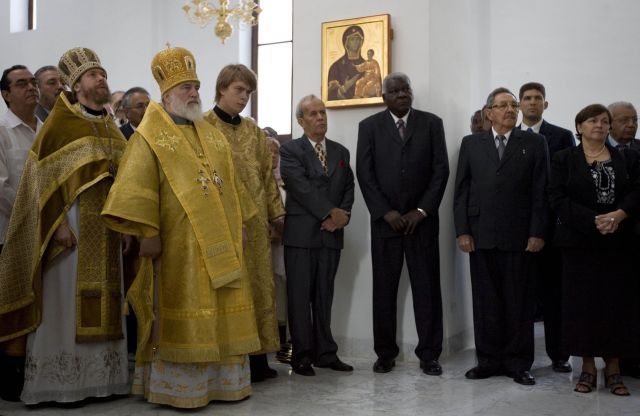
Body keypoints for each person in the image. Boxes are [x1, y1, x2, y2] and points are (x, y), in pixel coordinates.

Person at [101, 46, 261, 409]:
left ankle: (220, 383)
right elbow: (135, 189)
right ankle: (179, 388)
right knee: (181, 309)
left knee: (220, 310)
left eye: (196, 86)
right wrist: (149, 235)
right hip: (178, 248)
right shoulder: (149, 136)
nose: (193, 93)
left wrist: (241, 225)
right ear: (167, 93)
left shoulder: (211, 134)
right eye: (186, 87)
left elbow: (231, 186)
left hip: (221, 242)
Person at [0, 47, 129, 404]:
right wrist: (54, 224)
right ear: (76, 85)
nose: (101, 79)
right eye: (92, 75)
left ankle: (103, 380)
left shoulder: (109, 125)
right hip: (68, 230)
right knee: (64, 304)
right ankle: (63, 384)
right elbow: (38, 185)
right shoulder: (59, 124)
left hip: (105, 231)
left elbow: (126, 180)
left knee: (107, 301)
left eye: (102, 73)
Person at [453, 87, 548, 385]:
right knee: (485, 302)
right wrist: (463, 231)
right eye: (503, 105)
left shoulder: (534, 143)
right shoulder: (471, 144)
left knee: (518, 302)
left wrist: (537, 232)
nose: (510, 109)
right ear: (489, 112)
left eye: (513, 105)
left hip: (520, 237)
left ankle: (519, 363)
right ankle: (488, 361)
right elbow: (461, 192)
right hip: (480, 236)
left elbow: (540, 192)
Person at [356, 73, 449, 375]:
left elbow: (440, 170)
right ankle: (385, 354)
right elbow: (365, 174)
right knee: (384, 291)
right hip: (387, 225)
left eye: (405, 89)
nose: (401, 94)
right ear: (384, 97)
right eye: (394, 91)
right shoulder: (368, 127)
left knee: (427, 290)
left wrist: (421, 210)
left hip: (422, 224)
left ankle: (429, 354)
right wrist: (386, 212)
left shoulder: (432, 123)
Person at [548, 104, 640, 396]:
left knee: (616, 306)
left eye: (604, 121)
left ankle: (613, 369)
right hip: (578, 243)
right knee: (582, 307)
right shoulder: (563, 159)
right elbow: (557, 198)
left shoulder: (628, 158)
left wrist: (619, 215)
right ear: (579, 127)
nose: (599, 125)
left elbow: (637, 191)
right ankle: (587, 368)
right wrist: (593, 220)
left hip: (618, 242)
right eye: (592, 121)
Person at [204, 64, 285, 382]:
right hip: (221, 225)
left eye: (248, 92)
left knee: (260, 290)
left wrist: (276, 214)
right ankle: (227, 358)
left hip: (255, 225)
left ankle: (258, 359)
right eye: (239, 90)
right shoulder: (204, 127)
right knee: (228, 290)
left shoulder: (253, 130)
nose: (244, 97)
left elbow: (267, 176)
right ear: (222, 87)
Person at [280, 94, 355, 376]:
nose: (320, 117)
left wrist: (343, 215)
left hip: (331, 236)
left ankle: (326, 353)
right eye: (312, 114)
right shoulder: (290, 151)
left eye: (323, 112)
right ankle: (301, 355)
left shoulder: (341, 152)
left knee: (325, 296)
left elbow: (349, 186)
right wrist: (329, 213)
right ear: (301, 121)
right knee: (299, 298)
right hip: (301, 235)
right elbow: (300, 188)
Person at [518, 81, 575, 373]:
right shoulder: (511, 136)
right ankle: (522, 359)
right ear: (519, 104)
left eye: (537, 98)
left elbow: (567, 182)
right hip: (519, 230)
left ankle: (559, 355)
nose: (532, 103)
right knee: (523, 297)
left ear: (545, 104)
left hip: (553, 231)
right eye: (526, 98)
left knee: (554, 297)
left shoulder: (562, 137)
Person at [0, 64, 42, 401]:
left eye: (32, 82)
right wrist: (32, 219)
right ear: (5, 93)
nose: (31, 87)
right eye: (21, 83)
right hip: (7, 234)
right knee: (8, 306)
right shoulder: (1, 129)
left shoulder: (46, 130)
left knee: (32, 306)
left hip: (43, 234)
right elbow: (2, 188)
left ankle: (29, 375)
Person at [327, 25, 365, 101]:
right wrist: (343, 89)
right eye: (352, 39)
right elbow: (330, 95)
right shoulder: (336, 67)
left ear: (361, 42)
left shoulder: (367, 65)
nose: (355, 42)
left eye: (358, 39)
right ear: (346, 42)